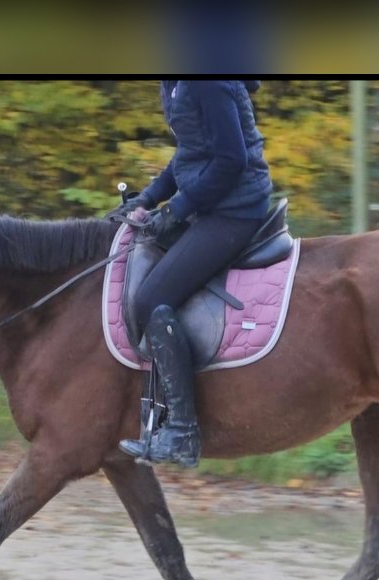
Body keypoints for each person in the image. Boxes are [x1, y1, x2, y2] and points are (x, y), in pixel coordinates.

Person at [109, 80, 273, 468]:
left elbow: (230, 160)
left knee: (151, 299)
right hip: (211, 205)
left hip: (235, 209)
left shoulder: (206, 82)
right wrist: (147, 198)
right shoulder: (174, 83)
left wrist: (176, 209)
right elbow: (190, 154)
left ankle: (182, 432)